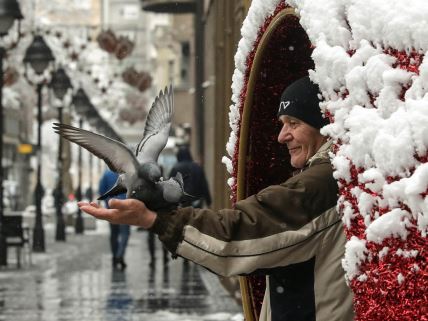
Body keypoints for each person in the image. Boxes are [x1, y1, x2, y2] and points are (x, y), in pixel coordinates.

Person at [79, 76, 354, 321]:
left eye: (294, 123)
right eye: (282, 124)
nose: (282, 136)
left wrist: (156, 219)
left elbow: (238, 233)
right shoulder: (334, 173)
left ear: (325, 125)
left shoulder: (324, 181)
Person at [99, 169, 130, 270]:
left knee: (114, 234)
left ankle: (115, 257)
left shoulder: (107, 173)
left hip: (111, 207)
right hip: (125, 207)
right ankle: (119, 255)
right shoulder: (128, 173)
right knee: (125, 233)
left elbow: (101, 190)